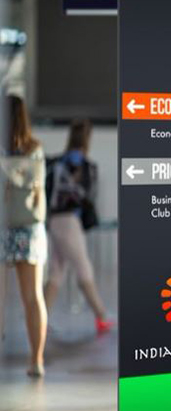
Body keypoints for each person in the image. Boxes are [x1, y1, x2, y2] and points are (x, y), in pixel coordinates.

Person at [44, 118, 111, 334]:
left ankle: (39, 318)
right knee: (83, 269)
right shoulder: (83, 165)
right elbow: (87, 196)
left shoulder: (55, 163)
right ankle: (101, 316)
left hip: (54, 220)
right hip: (69, 221)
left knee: (56, 271)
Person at [1, 95, 48, 377]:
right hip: (31, 228)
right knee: (33, 297)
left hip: (5, 225)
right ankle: (36, 360)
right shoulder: (35, 149)